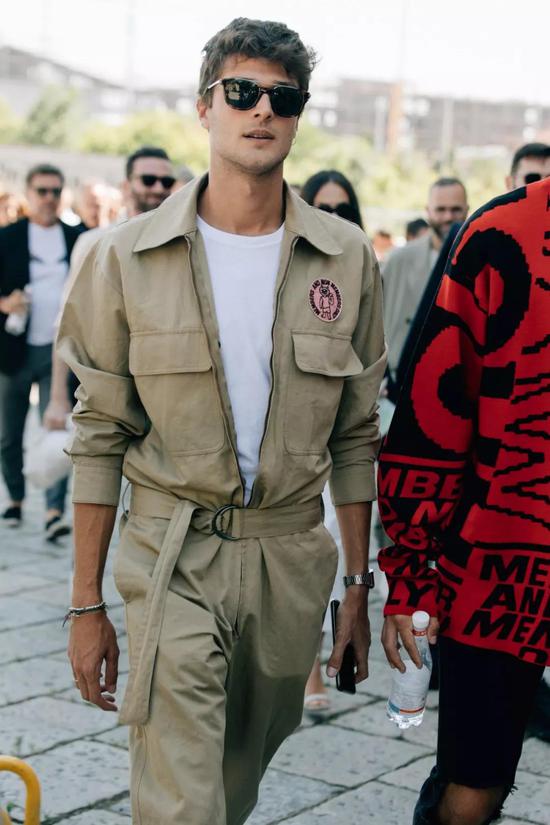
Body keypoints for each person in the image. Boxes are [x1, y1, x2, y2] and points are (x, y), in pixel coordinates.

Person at [58, 17, 386, 825]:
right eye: (241, 92)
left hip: (289, 561)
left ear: (299, 116)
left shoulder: (346, 257)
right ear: (205, 106)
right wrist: (86, 603)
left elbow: (355, 437)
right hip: (173, 553)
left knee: (231, 787)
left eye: (284, 97)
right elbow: (99, 436)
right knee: (184, 804)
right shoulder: (123, 255)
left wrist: (355, 589)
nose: (262, 110)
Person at [378, 177, 550, 825]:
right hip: (502, 561)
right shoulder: (501, 232)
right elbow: (433, 414)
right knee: (474, 783)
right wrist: (410, 572)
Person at [43, 146, 176, 432]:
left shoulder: (182, 243)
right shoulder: (95, 242)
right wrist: (57, 397)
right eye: (148, 179)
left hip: (162, 392)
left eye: (166, 182)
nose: (158, 188)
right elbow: (67, 322)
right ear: (126, 186)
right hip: (100, 386)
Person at [300, 168, 364, 717]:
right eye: (324, 207)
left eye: (344, 209)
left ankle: (341, 643)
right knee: (306, 552)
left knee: (344, 551)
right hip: (298, 442)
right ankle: (309, 668)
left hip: (348, 437)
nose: (334, 218)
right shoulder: (290, 265)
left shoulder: (364, 265)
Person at [0, 163, 84, 537]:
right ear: (29, 194)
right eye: (42, 191)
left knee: (57, 428)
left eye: (55, 191)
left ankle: (53, 511)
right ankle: (16, 499)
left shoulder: (76, 236)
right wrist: (5, 304)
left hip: (60, 351)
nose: (49, 198)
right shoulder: (9, 236)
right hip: (14, 350)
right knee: (9, 434)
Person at [381, 177, 468, 393]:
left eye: (455, 209)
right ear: (428, 211)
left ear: (467, 210)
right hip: (399, 382)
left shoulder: (479, 258)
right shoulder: (398, 260)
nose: (448, 217)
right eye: (441, 209)